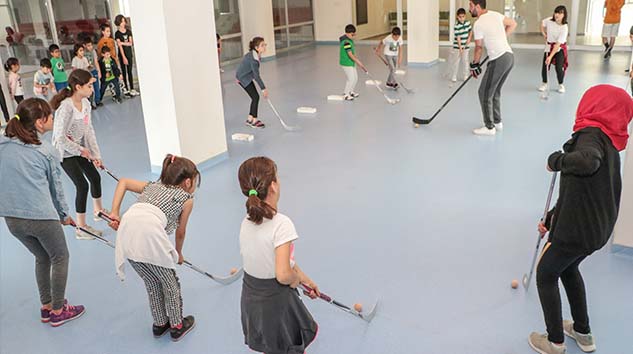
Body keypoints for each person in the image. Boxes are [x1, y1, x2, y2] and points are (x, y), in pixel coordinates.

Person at [528, 84, 633, 354]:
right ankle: (583, 333)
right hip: (595, 229)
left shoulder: (590, 135)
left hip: (576, 230)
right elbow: (579, 190)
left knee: (546, 273)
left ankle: (554, 342)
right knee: (568, 269)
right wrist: (552, 218)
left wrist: (557, 160)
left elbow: (587, 163)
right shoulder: (607, 141)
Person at [0, 98, 85, 327]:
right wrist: (64, 215)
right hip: (41, 217)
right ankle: (58, 310)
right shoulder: (45, 151)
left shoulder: (2, 144)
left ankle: (46, 307)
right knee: (60, 257)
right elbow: (56, 189)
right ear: (39, 122)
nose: (53, 118)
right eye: (49, 115)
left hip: (12, 220)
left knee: (42, 257)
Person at [106, 154, 199, 342]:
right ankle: (176, 325)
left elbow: (123, 182)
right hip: (149, 237)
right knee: (169, 283)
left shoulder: (151, 186)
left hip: (126, 235)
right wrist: (178, 253)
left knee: (152, 282)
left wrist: (114, 212)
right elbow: (181, 232)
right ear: (188, 182)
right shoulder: (186, 198)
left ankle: (159, 323)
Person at [238, 156, 319, 354]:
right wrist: (294, 280)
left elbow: (282, 261)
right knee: (287, 347)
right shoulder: (282, 224)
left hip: (251, 299)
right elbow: (283, 274)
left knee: (270, 347)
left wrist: (304, 280)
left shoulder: (247, 221)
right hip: (276, 302)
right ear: (273, 186)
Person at [50, 69, 108, 239]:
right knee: (82, 185)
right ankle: (80, 228)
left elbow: (89, 131)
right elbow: (60, 138)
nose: (93, 88)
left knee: (95, 177)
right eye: (89, 85)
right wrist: (81, 150)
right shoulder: (66, 107)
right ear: (78, 87)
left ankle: (98, 211)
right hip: (64, 153)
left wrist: (96, 155)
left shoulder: (87, 104)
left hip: (78, 149)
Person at [469, 0, 517, 136]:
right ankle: (497, 122)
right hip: (509, 57)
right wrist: (502, 38)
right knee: (495, 91)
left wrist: (474, 64)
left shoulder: (478, 23)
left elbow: (478, 47)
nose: (469, 9)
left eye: (471, 6)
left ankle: (489, 127)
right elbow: (513, 23)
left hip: (498, 59)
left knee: (483, 93)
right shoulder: (495, 15)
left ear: (477, 6)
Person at [236, 37, 268, 129]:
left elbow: (253, 73)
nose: (264, 47)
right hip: (243, 78)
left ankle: (250, 119)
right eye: (262, 45)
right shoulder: (254, 59)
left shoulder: (255, 55)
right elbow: (257, 76)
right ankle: (254, 121)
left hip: (245, 76)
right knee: (255, 97)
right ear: (256, 48)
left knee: (254, 97)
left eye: (264, 44)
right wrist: (263, 89)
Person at [538, 6, 569, 94]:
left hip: (559, 48)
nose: (557, 15)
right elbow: (542, 24)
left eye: (560, 13)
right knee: (545, 66)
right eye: (556, 12)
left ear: (564, 15)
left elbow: (558, 44)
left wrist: (550, 57)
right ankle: (544, 83)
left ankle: (561, 84)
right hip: (549, 45)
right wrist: (544, 34)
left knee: (559, 67)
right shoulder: (549, 20)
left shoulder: (564, 27)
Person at [339, 24, 367, 101]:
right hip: (346, 63)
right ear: (347, 33)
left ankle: (351, 91)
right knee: (351, 79)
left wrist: (356, 62)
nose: (353, 36)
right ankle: (346, 94)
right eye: (352, 34)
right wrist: (359, 62)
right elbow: (350, 54)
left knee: (355, 78)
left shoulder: (349, 40)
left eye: (354, 34)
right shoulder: (346, 42)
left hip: (351, 62)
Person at [114, 15, 139, 97]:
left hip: (129, 53)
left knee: (129, 71)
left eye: (124, 21)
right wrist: (123, 57)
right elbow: (119, 45)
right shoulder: (117, 33)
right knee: (124, 72)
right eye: (122, 21)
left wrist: (123, 43)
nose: (123, 22)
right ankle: (126, 89)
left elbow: (131, 43)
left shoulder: (128, 31)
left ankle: (132, 88)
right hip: (122, 55)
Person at [447, 8, 473, 82]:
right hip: (457, 46)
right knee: (456, 61)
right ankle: (454, 76)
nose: (462, 18)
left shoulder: (467, 23)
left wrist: (469, 38)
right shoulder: (456, 26)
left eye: (463, 16)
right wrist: (460, 48)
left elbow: (470, 31)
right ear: (457, 17)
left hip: (466, 46)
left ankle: (465, 75)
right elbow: (458, 38)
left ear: (465, 16)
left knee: (465, 61)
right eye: (460, 17)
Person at [83, 38, 103, 108]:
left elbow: (96, 62)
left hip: (94, 70)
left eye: (91, 45)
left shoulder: (93, 51)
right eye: (88, 46)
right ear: (84, 46)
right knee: (89, 89)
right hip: (87, 72)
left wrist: (99, 72)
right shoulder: (83, 53)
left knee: (96, 86)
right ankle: (90, 103)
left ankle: (98, 101)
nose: (90, 47)